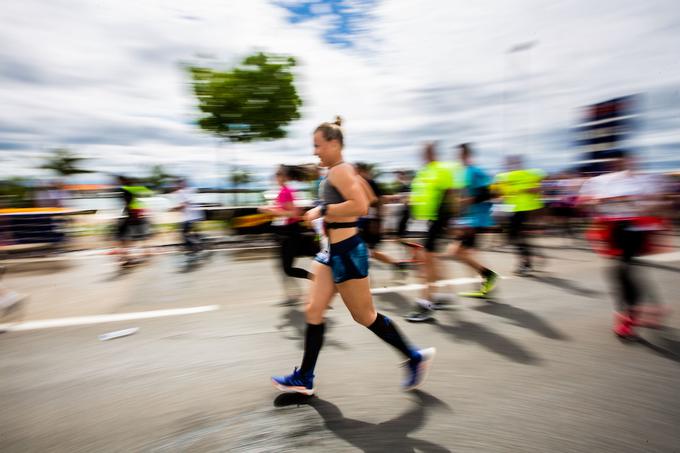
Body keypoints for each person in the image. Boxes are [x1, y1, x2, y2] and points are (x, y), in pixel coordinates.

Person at [272, 117, 435, 395]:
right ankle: (305, 377)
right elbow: (364, 198)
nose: (315, 151)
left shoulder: (341, 170)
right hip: (330, 252)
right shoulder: (336, 171)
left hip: (347, 253)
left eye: (318, 145)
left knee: (365, 316)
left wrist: (323, 211)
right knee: (313, 310)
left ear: (334, 144)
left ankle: (414, 356)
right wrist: (325, 208)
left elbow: (360, 206)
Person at [579, 151, 671, 338]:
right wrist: (595, 203)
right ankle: (652, 308)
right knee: (626, 272)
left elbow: (660, 203)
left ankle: (628, 315)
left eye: (629, 161)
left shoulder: (647, 180)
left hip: (636, 228)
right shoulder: (602, 181)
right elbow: (583, 204)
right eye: (618, 161)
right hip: (614, 228)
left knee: (623, 269)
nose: (624, 164)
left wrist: (642, 205)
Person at [405, 143, 463, 322]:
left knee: (427, 262)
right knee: (432, 260)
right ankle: (446, 295)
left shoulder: (442, 169)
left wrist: (452, 221)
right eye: (423, 151)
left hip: (440, 218)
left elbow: (453, 194)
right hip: (427, 220)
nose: (424, 154)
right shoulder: (424, 171)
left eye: (427, 151)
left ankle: (426, 303)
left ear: (433, 152)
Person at [445, 144, 499, 298]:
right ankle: (483, 284)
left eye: (461, 154)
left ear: (467, 155)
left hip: (476, 219)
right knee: (463, 253)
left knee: (456, 252)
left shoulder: (476, 171)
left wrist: (468, 200)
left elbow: (491, 192)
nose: (458, 157)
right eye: (457, 155)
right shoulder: (462, 173)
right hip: (467, 219)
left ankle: (488, 276)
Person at [259, 165, 313, 303]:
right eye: (276, 175)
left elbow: (292, 213)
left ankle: (315, 280)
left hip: (291, 232)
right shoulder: (283, 191)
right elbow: (284, 210)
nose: (276, 178)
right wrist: (270, 209)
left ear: (284, 177)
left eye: (278, 175)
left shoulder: (286, 191)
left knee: (287, 269)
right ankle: (294, 293)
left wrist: (270, 211)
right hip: (285, 233)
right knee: (283, 267)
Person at [355, 162, 408, 279]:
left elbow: (380, 201)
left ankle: (363, 279)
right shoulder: (359, 183)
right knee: (367, 252)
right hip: (365, 222)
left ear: (361, 170)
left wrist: (378, 221)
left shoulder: (369, 182)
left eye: (356, 170)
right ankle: (397, 264)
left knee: (365, 252)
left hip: (370, 223)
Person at [494, 156, 545, 276]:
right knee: (513, 237)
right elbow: (501, 194)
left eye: (513, 163)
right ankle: (530, 258)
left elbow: (537, 189)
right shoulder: (504, 177)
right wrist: (502, 197)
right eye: (509, 164)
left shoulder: (529, 175)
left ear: (519, 164)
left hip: (524, 209)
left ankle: (525, 264)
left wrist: (523, 189)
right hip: (510, 210)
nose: (511, 166)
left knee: (517, 236)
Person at [171, 178, 206, 259]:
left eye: (177, 184)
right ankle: (200, 243)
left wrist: (174, 208)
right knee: (190, 233)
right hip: (194, 216)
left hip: (189, 217)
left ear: (179, 184)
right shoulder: (187, 191)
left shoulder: (183, 192)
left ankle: (194, 248)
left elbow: (184, 205)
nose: (175, 186)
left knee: (184, 233)